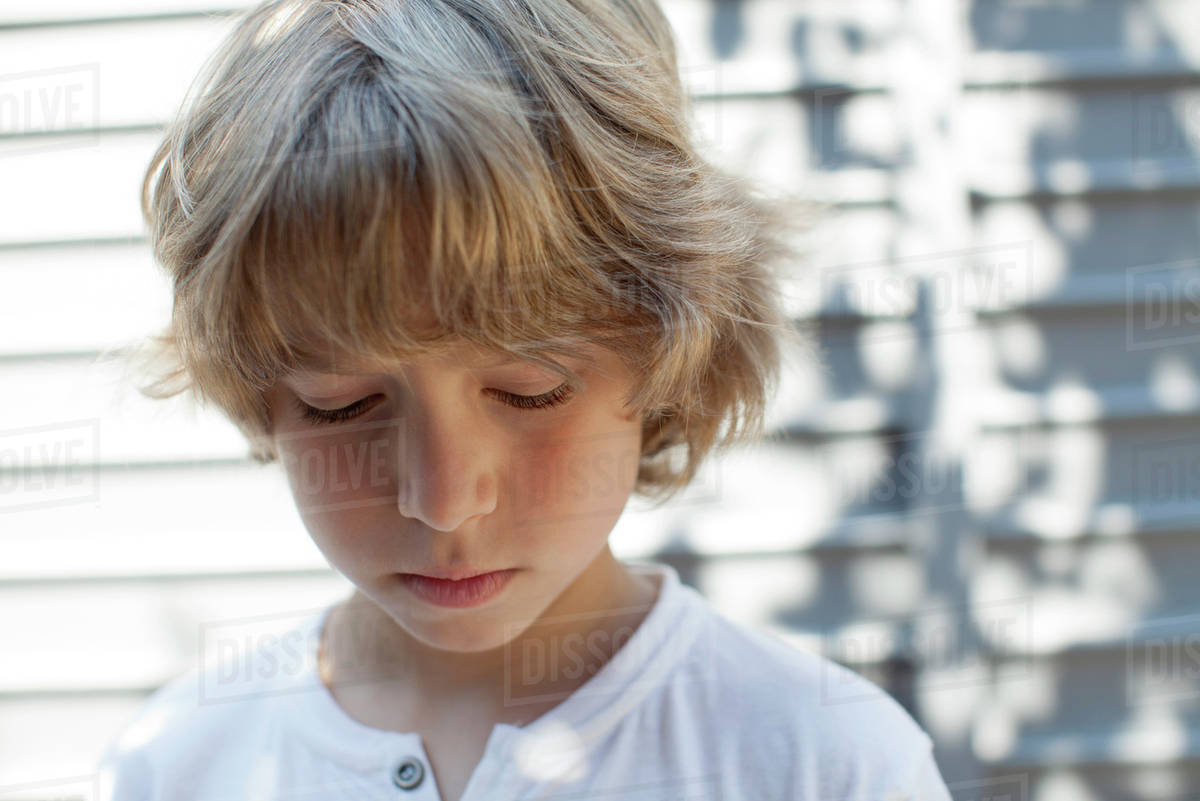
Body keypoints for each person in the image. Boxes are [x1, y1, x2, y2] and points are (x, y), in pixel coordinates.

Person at [99, 0, 954, 799]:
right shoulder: (175, 765)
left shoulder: (820, 760)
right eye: (339, 403)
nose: (441, 498)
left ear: (665, 356)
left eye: (530, 389)